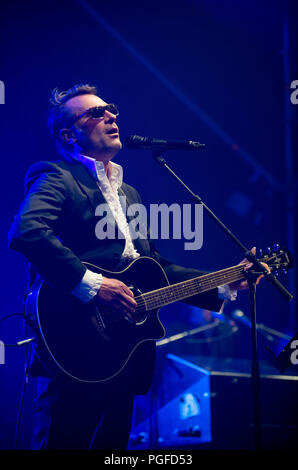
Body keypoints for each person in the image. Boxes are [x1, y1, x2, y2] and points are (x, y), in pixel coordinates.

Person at [8, 83, 265, 450]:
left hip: (123, 355)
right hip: (74, 347)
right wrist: (95, 285)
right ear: (69, 135)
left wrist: (227, 281)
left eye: (110, 108)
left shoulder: (129, 194)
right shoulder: (57, 176)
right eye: (95, 112)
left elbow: (154, 268)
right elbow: (27, 231)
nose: (111, 115)